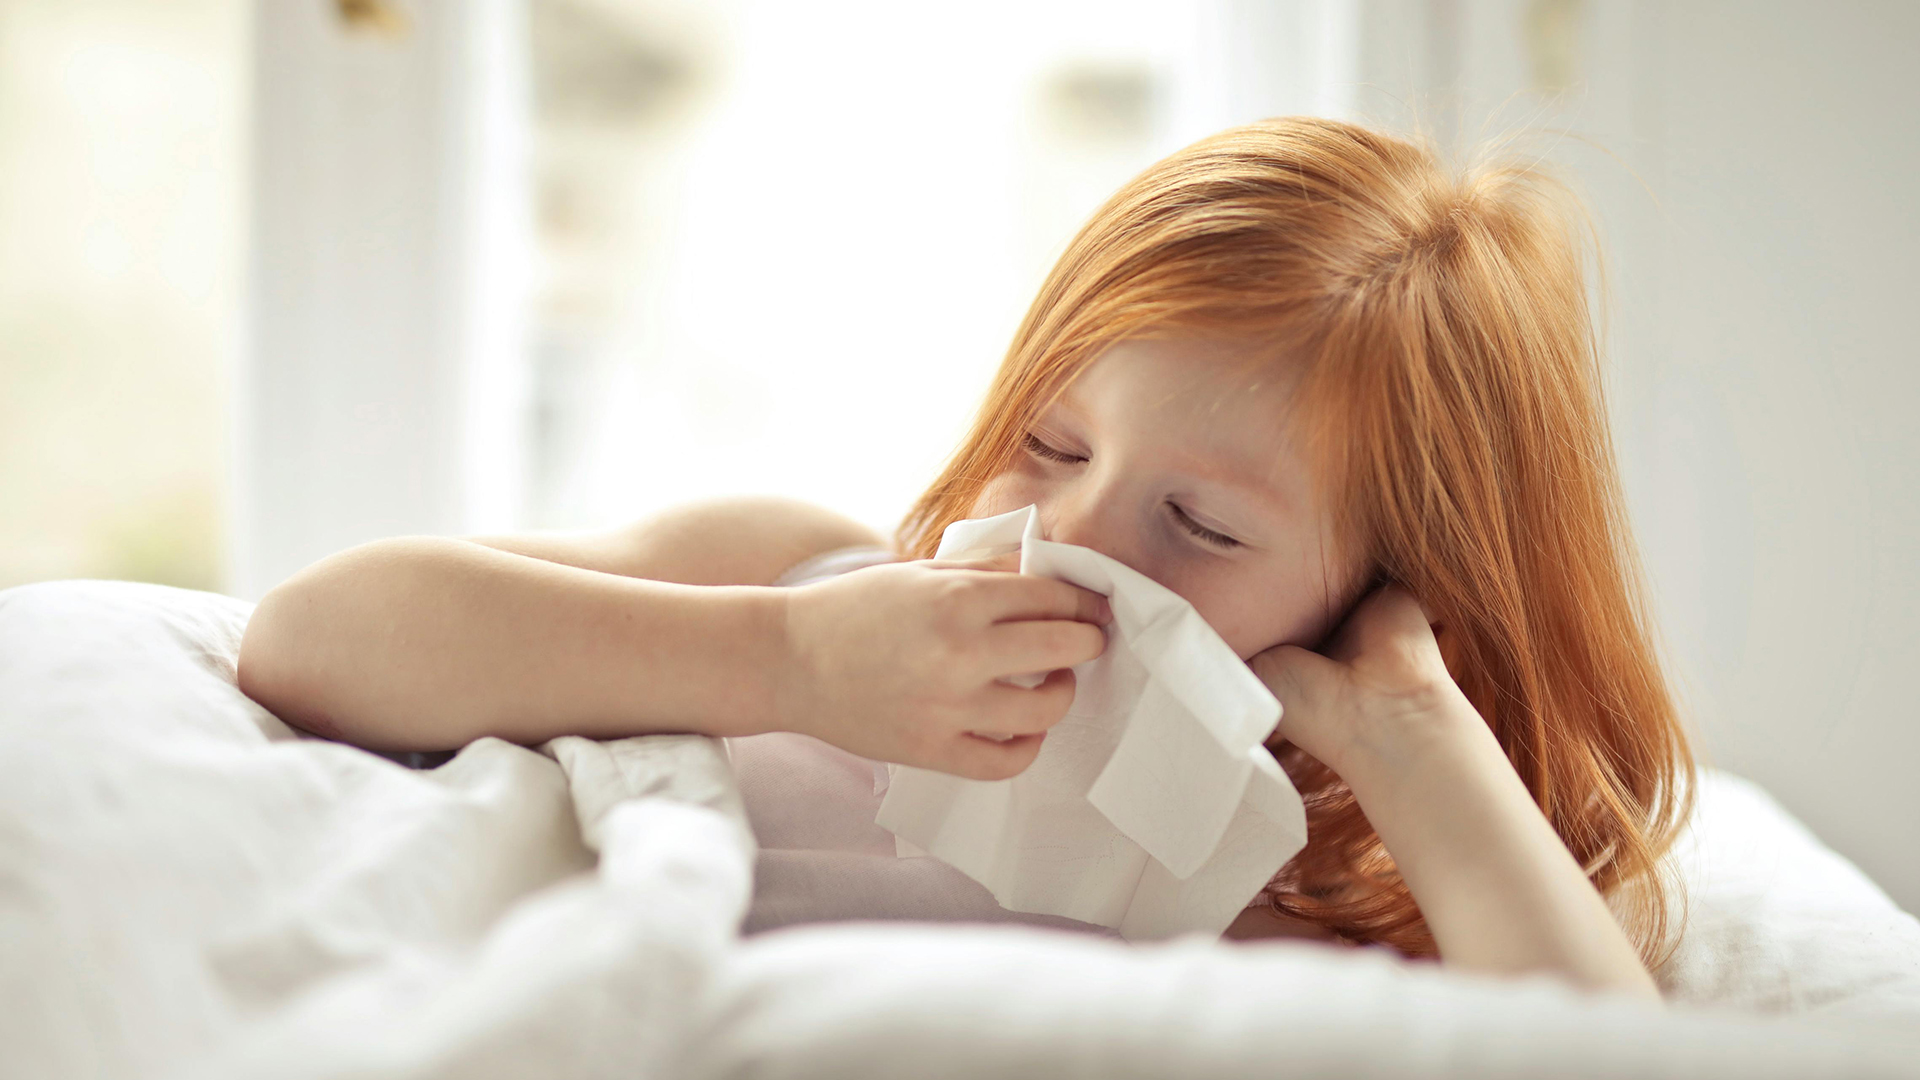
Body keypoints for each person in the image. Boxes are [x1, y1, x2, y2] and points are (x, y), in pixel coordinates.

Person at [237, 116, 1692, 1000]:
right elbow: (309, 638)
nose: (1066, 534)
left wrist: (1412, 734)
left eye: (1202, 528)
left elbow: (1590, 1055)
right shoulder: (799, 576)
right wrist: (782, 662)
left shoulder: (1292, 894)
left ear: (1384, 591)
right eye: (1051, 442)